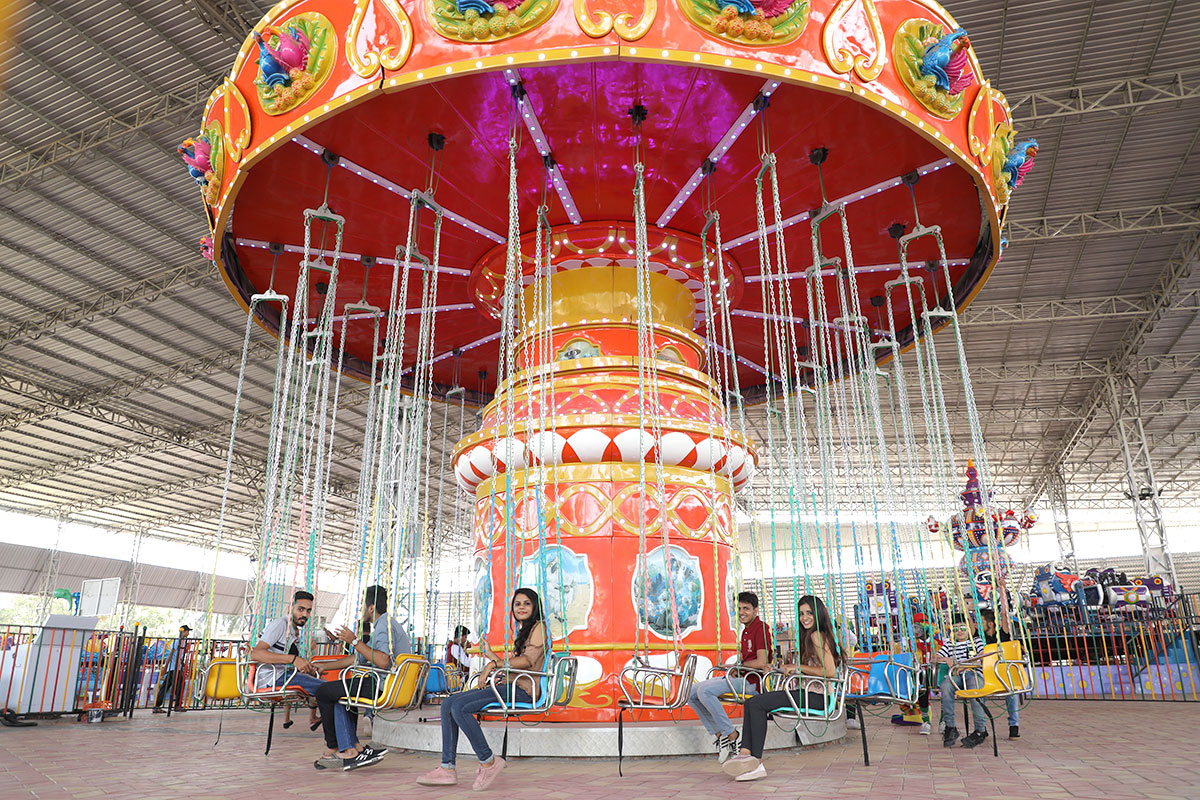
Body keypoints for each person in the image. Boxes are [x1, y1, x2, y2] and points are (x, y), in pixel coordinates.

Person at [416, 588, 547, 792]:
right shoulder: (526, 630)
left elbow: (528, 661)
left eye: (527, 603)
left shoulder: (539, 627)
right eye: (517, 604)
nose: (521, 607)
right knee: (449, 703)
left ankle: (488, 761)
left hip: (522, 690)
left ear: (535, 606)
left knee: (460, 707)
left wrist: (493, 665)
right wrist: (490, 655)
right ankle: (447, 767)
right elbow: (514, 665)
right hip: (511, 685)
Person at [722, 595, 843, 782]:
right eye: (801, 614)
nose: (805, 618)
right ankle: (746, 754)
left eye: (809, 613)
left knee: (757, 704)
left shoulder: (817, 636)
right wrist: (784, 668)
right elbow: (809, 669)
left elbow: (830, 671)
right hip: (806, 693)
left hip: (817, 697)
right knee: (752, 703)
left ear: (818, 614)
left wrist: (797, 668)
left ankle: (755, 761)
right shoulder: (812, 636)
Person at [312, 585, 412, 772]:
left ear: (371, 608)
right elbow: (359, 657)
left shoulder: (384, 626)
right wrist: (325, 666)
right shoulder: (385, 624)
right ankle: (354, 748)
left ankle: (333, 747)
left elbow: (382, 661)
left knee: (323, 692)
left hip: (382, 684)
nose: (360, 609)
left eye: (361, 605)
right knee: (336, 693)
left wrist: (353, 640)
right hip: (387, 683)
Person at [687, 591, 771, 763]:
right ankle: (721, 735)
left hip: (752, 682)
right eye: (739, 608)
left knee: (705, 692)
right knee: (690, 693)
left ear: (755, 610)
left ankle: (732, 735)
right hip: (741, 676)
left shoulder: (761, 628)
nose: (741, 612)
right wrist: (736, 667)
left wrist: (739, 666)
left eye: (746, 608)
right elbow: (747, 660)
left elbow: (762, 662)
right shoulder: (745, 631)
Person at [249, 590, 323, 730]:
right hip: (273, 678)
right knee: (329, 689)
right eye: (300, 609)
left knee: (324, 684)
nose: (304, 614)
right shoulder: (280, 625)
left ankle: (321, 720)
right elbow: (256, 654)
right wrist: (292, 659)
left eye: (308, 611)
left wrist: (304, 667)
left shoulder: (293, 630)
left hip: (283, 674)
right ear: (290, 608)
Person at [937, 613, 987, 748]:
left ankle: (980, 730)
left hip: (974, 673)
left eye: (963, 628)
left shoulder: (976, 642)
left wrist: (965, 666)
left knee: (975, 690)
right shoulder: (949, 645)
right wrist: (945, 658)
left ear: (969, 629)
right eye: (955, 629)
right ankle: (950, 727)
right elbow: (935, 657)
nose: (959, 631)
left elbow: (983, 655)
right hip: (957, 676)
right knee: (946, 686)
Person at [980, 607, 1021, 739]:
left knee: (1011, 691)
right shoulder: (980, 638)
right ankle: (981, 726)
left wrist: (1002, 597)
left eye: (981, 622)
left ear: (991, 624)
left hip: (1004, 673)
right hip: (987, 674)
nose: (978, 624)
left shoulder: (1002, 634)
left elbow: (1004, 615)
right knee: (979, 691)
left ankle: (1014, 725)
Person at [152, 625, 191, 713]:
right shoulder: (178, 641)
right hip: (174, 668)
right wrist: (165, 667)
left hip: (175, 668)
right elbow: (172, 654)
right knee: (178, 687)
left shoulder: (181, 642)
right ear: (183, 631)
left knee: (166, 687)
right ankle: (177, 706)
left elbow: (178, 656)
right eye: (187, 631)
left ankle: (157, 706)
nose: (188, 633)